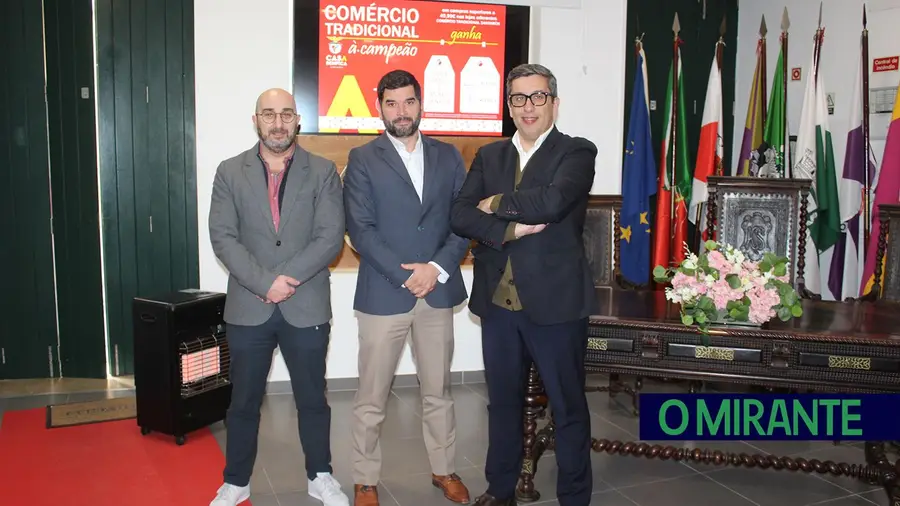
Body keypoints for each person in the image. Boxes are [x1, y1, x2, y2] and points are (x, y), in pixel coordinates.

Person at [450, 64, 597, 506]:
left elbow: (553, 202)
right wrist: (509, 229)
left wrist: (495, 203)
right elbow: (459, 214)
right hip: (498, 306)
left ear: (554, 102)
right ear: (509, 106)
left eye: (537, 97)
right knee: (502, 405)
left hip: (556, 304)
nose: (527, 107)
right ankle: (500, 490)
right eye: (518, 98)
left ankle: (574, 496)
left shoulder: (576, 152)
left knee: (568, 408)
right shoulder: (489, 155)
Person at [208, 88, 350, 506]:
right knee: (243, 402)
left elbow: (329, 237)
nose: (278, 122)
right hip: (248, 307)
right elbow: (223, 237)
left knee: (312, 399)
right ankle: (236, 481)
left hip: (305, 305)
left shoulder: (322, 171)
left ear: (297, 121)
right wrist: (263, 282)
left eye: (286, 114)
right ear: (256, 120)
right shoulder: (229, 171)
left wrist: (285, 279)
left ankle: (320, 475)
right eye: (269, 114)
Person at [343, 69, 472, 506]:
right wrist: (406, 275)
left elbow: (463, 220)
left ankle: (444, 469)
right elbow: (360, 231)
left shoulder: (449, 156)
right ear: (379, 106)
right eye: (392, 103)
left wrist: (435, 268)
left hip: (436, 294)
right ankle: (364, 478)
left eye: (409, 102)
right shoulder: (363, 158)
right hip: (384, 294)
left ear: (421, 104)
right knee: (371, 398)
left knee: (439, 392)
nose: (401, 111)